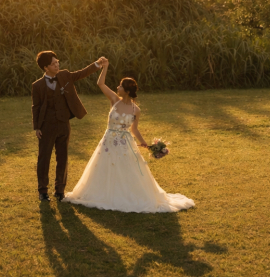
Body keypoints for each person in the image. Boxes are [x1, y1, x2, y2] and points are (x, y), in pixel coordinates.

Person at [63, 59, 195, 212]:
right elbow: (100, 84)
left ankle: (124, 195)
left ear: (125, 90)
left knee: (126, 169)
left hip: (125, 143)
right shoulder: (114, 100)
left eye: (120, 86)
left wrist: (145, 143)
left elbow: (135, 129)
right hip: (108, 141)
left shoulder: (136, 110)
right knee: (105, 167)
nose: (117, 87)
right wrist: (104, 67)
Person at [32, 51, 105, 202]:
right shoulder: (37, 85)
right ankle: (43, 191)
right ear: (46, 67)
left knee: (63, 157)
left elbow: (81, 73)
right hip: (46, 126)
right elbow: (36, 107)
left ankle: (60, 190)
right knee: (44, 158)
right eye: (53, 64)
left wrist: (97, 64)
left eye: (57, 62)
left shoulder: (64, 75)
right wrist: (37, 127)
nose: (57, 65)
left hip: (64, 124)